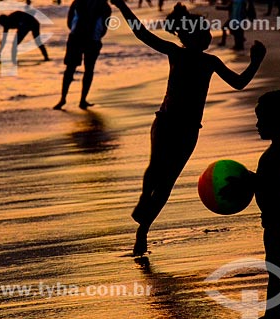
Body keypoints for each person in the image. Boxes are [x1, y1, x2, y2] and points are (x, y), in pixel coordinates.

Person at [110, 0, 266, 256]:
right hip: (170, 123)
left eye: (205, 30)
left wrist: (256, 62)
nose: (206, 34)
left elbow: (238, 83)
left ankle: (143, 230)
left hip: (183, 127)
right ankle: (142, 210)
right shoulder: (179, 53)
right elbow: (141, 32)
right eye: (201, 30)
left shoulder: (209, 61)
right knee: (158, 171)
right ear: (187, 35)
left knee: (163, 179)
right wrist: (122, 5)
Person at [222, 90, 280, 319]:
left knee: (275, 269)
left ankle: (275, 318)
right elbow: (266, 181)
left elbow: (270, 184)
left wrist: (245, 182)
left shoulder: (278, 153)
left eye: (261, 119)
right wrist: (250, 179)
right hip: (275, 216)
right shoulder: (278, 150)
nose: (257, 124)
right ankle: (273, 315)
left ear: (278, 121)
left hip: (278, 217)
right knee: (274, 267)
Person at [53, 0, 111, 110]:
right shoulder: (104, 5)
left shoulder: (78, 2)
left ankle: (63, 98)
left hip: (77, 37)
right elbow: (105, 26)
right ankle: (81, 100)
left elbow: (70, 22)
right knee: (88, 70)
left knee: (70, 69)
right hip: (91, 39)